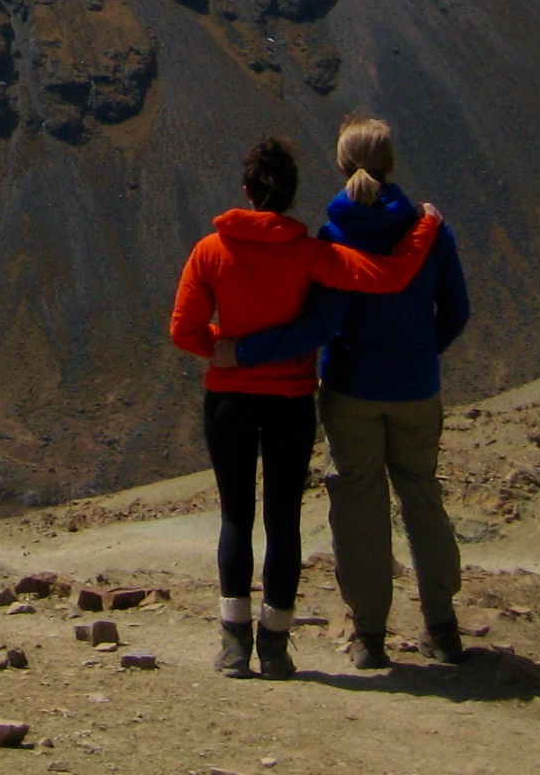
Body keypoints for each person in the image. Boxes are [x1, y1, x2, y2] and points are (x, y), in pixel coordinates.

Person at [169, 136, 445, 679]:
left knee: (235, 516)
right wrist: (426, 225)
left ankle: (234, 644)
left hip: (228, 398)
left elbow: (184, 330)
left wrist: (226, 347)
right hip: (290, 401)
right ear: (292, 193)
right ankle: (274, 646)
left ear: (247, 191)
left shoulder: (210, 251)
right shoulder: (311, 254)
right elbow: (390, 276)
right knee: (283, 520)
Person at [230, 115, 470, 670]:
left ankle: (369, 635)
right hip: (416, 388)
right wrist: (420, 352)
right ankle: (442, 627)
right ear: (392, 164)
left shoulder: (335, 236)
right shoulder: (431, 231)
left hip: (352, 389)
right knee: (422, 497)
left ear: (341, 166)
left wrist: (240, 351)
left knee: (359, 506)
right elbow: (456, 311)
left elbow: (322, 324)